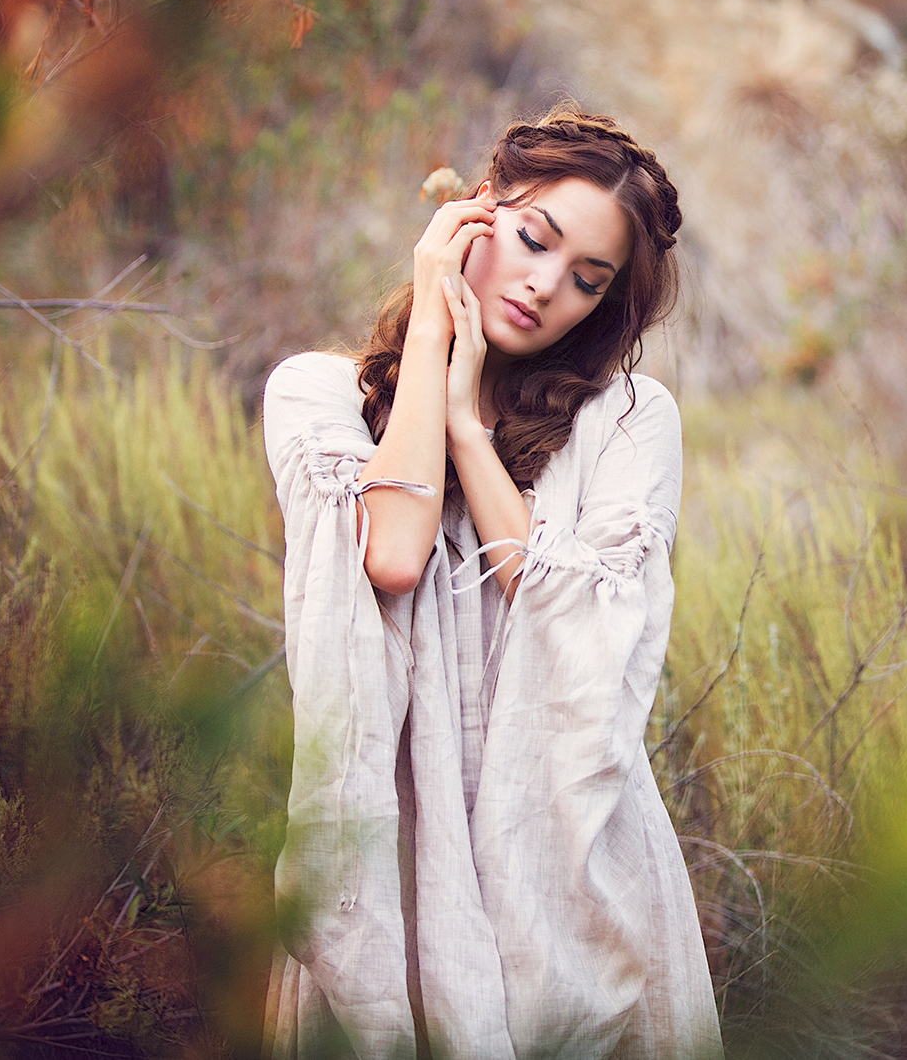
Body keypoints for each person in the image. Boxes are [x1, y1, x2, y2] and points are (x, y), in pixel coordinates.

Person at [257, 107, 724, 1060]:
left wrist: (471, 430)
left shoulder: (630, 419)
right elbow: (391, 554)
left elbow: (573, 625)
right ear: (474, 214)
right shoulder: (320, 396)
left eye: (587, 280)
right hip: (401, 840)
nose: (546, 286)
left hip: (564, 848)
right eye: (532, 239)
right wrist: (432, 340)